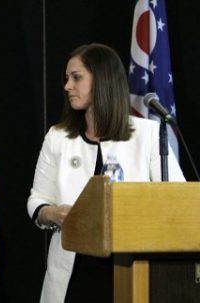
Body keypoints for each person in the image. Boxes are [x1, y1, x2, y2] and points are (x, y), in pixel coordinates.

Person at [27, 43, 185, 303]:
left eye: (76, 78)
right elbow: (37, 198)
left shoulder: (148, 134)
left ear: (102, 80)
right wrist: (52, 213)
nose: (67, 86)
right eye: (67, 78)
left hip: (134, 271)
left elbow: (177, 200)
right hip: (74, 273)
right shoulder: (57, 137)